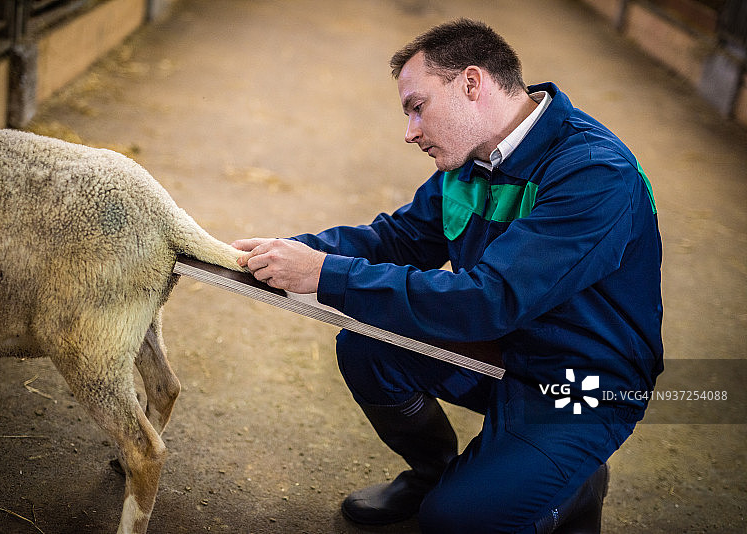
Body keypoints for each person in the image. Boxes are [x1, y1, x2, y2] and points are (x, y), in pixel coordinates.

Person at [234, 19, 662, 533]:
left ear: (472, 84)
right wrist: (293, 252)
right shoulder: (471, 163)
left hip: (580, 379)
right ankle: (435, 472)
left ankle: (569, 484)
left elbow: (489, 299)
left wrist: (326, 274)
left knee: (458, 522)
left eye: (418, 107)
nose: (410, 131)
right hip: (507, 347)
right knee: (367, 346)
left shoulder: (594, 172)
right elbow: (399, 240)